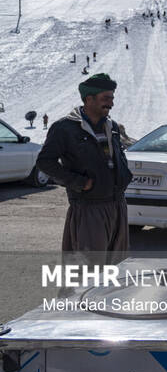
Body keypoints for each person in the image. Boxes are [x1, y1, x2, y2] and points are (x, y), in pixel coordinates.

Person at [36, 74, 132, 262]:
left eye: (112, 98)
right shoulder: (65, 128)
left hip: (117, 204)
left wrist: (124, 176)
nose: (111, 103)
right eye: (106, 98)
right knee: (88, 268)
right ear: (89, 99)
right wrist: (78, 182)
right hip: (89, 208)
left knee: (117, 266)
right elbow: (45, 162)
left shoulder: (111, 126)